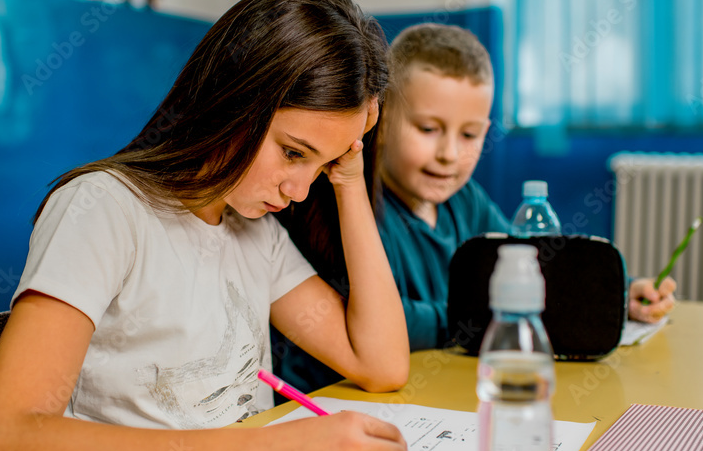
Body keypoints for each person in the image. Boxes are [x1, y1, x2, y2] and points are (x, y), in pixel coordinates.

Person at [0, 0, 410, 451]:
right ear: (233, 99)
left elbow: (379, 363)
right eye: (292, 153)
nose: (299, 191)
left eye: (323, 164)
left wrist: (350, 180)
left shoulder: (256, 233)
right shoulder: (103, 210)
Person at [275, 23, 676, 392]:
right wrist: (480, 315)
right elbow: (388, 326)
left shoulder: (466, 201)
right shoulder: (348, 207)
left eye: (469, 135)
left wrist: (620, 294)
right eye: (428, 129)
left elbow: (536, 267)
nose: (449, 154)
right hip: (340, 402)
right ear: (381, 118)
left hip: (439, 389)